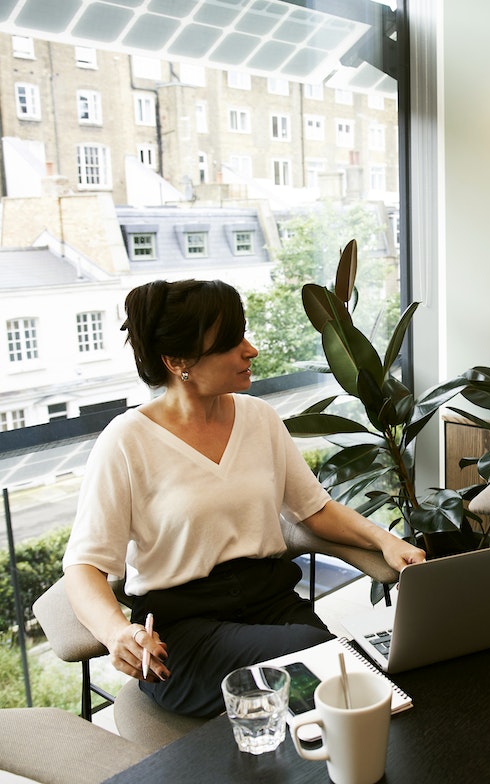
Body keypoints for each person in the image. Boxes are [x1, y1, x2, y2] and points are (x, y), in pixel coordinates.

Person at [62, 279, 424, 718]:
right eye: (231, 342)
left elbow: (315, 509)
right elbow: (84, 566)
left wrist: (386, 541)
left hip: (274, 607)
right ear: (179, 361)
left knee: (360, 687)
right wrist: (116, 630)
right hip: (187, 635)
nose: (250, 350)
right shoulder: (126, 440)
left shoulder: (259, 418)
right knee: (328, 672)